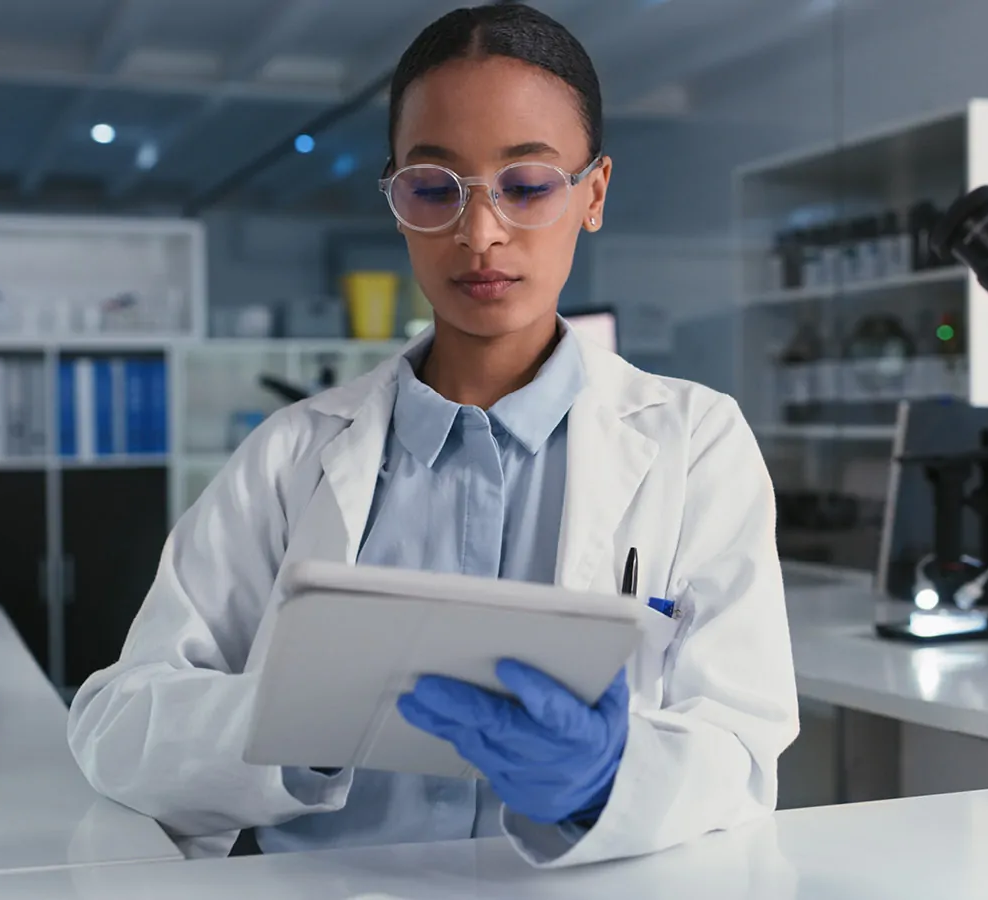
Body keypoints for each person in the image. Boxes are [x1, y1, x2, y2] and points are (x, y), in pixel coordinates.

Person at [67, 4, 798, 869]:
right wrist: (292, 721)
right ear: (395, 198)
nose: (479, 233)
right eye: (433, 187)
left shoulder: (693, 441)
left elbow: (740, 753)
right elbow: (114, 727)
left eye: (526, 186)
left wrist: (603, 779)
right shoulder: (292, 454)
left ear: (592, 193)